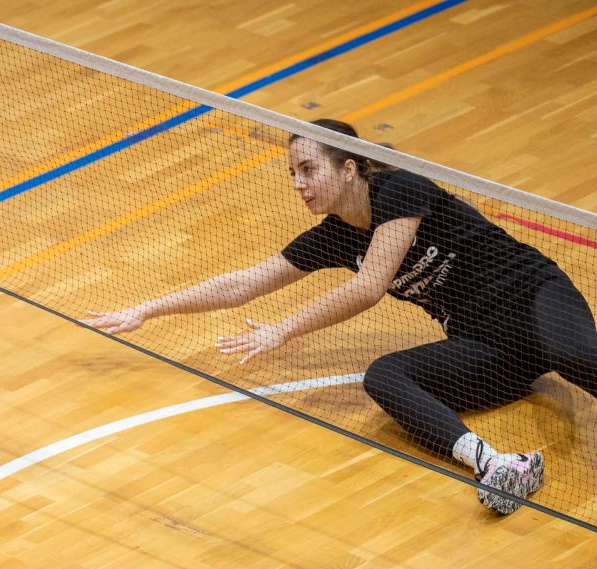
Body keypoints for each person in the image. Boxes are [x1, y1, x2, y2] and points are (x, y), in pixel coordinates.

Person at [85, 119, 597, 515]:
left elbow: (369, 287)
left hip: (534, 297)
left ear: (348, 168)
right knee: (385, 377)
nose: (298, 183)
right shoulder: (332, 237)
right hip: (492, 347)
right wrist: (148, 309)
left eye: (309, 170)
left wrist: (282, 330)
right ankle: (496, 466)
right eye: (293, 174)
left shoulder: (401, 189)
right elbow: (242, 284)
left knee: (571, 353)